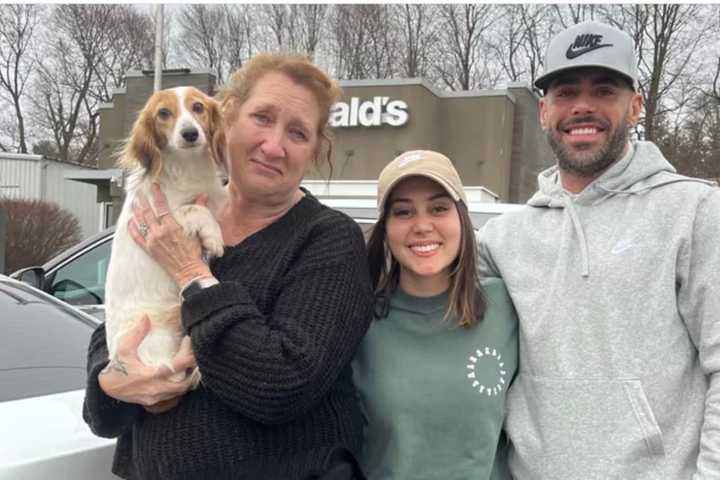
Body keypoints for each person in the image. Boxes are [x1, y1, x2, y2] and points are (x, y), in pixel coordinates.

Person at [82, 53, 374, 480]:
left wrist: (191, 274)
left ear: (314, 150)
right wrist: (110, 385)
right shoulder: (172, 212)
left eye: (297, 133)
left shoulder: (328, 240)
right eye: (262, 118)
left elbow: (282, 386)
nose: (273, 146)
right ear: (228, 118)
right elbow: (122, 317)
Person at [477, 21, 720, 479]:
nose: (583, 107)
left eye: (604, 89)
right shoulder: (502, 240)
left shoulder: (696, 212)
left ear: (634, 106)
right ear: (545, 110)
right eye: (566, 92)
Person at [353, 150, 518, 479]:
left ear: (461, 217)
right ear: (385, 228)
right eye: (403, 212)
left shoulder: (508, 306)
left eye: (439, 208)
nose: (422, 225)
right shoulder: (358, 322)